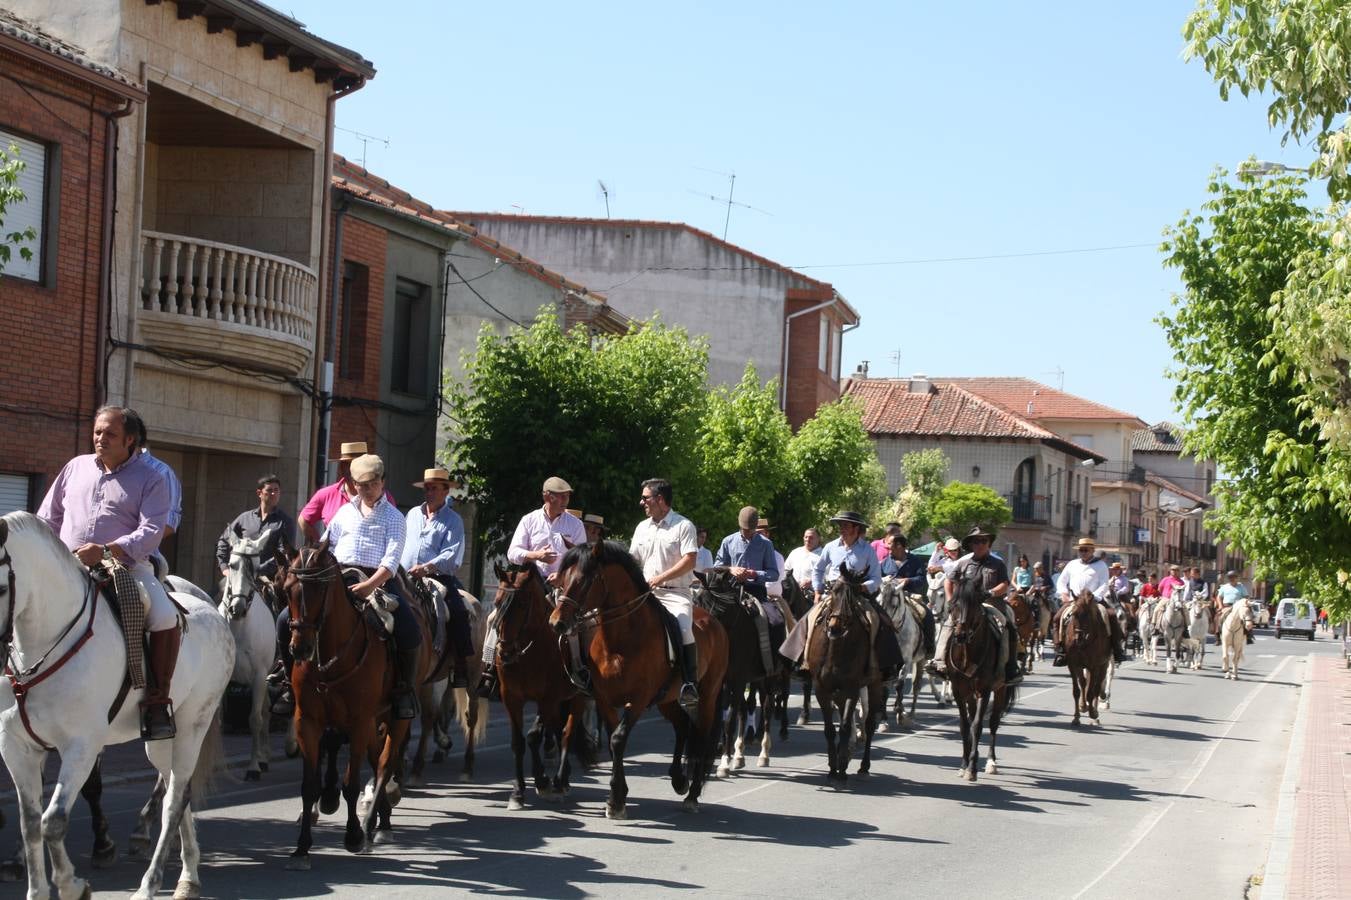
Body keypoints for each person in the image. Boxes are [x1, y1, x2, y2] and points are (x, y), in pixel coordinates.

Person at [37, 406, 180, 739]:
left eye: (110, 434)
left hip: (125, 567)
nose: (100, 438)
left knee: (164, 616)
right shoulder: (75, 467)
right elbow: (48, 517)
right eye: (98, 432)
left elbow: (152, 531)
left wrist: (105, 550)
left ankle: (158, 701)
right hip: (65, 564)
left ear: (130, 440)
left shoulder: (152, 477)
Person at [477, 476, 587, 698]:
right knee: (494, 618)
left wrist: (562, 575)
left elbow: (582, 559)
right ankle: (488, 669)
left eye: (567, 496)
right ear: (547, 496)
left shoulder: (575, 524)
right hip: (529, 581)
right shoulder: (529, 520)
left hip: (560, 585)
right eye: (561, 496)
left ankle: (578, 670)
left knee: (574, 625)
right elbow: (513, 552)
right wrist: (537, 555)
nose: (566, 500)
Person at [629, 477, 702, 713]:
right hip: (645, 594)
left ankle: (689, 683)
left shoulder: (683, 526)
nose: (642, 502)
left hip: (675, 594)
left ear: (660, 499)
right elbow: (633, 561)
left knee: (683, 628)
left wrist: (661, 578)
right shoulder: (642, 527)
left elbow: (689, 560)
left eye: (645, 497)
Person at [402, 467, 474, 688]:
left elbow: (452, 555)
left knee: (458, 610)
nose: (429, 492)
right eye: (427, 488)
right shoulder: (413, 514)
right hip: (404, 576)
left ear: (445, 491)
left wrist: (427, 567)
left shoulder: (453, 520)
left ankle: (460, 664)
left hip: (437, 577)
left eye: (434, 488)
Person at [928, 526, 1022, 686]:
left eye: (983, 541)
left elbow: (1005, 584)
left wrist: (991, 592)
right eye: (976, 541)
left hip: (991, 604)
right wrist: (951, 601)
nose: (979, 544)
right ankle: (939, 662)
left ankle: (1010, 668)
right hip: (965, 607)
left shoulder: (998, 563)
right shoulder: (962, 562)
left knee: (1008, 627)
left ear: (989, 544)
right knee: (949, 624)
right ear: (971, 544)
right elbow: (949, 580)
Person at [713, 507, 780, 674]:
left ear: (756, 527)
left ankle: (775, 666)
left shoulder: (766, 544)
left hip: (756, 590)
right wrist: (731, 569)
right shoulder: (728, 541)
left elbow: (773, 573)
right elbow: (717, 566)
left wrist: (754, 574)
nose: (747, 533)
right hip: (731, 590)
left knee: (776, 621)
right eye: (744, 530)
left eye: (750, 530)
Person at [298, 441, 394, 543]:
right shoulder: (326, 494)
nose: (352, 470)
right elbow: (304, 520)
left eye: (357, 465)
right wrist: (320, 548)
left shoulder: (383, 497)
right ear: (341, 467)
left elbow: (393, 531)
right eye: (347, 465)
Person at [1051, 537, 1126, 665]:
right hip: (1074, 601)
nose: (1083, 552)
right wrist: (1063, 593)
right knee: (1057, 618)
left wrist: (1094, 597)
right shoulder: (1072, 564)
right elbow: (1062, 581)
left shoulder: (1101, 565)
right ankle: (1061, 649)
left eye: (1086, 550)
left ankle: (1117, 649)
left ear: (1092, 550)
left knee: (1112, 616)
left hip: (1094, 601)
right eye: (1081, 550)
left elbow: (1104, 585)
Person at [216, 474, 297, 579]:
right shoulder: (244, 518)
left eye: (276, 490)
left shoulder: (285, 522)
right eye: (269, 490)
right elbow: (223, 541)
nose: (273, 493)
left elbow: (284, 554)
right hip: (239, 578)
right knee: (216, 594)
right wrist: (224, 567)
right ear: (259, 493)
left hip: (270, 581)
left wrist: (257, 570)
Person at [880, 533, 936, 658]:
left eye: (890, 546)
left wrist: (908, 580)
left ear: (899, 545)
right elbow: (877, 578)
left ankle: (929, 646)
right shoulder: (884, 563)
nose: (888, 549)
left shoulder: (915, 560)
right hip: (888, 597)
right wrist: (884, 579)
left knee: (926, 613)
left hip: (908, 595)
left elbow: (922, 579)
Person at [1216, 570, 1252, 644]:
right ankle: (1217, 635)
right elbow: (1219, 597)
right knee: (1217, 617)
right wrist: (1220, 605)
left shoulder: (1241, 587)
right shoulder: (1224, 587)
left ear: (1237, 578)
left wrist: (1245, 603)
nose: (1232, 579)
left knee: (1248, 617)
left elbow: (1246, 596)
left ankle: (1249, 635)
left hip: (1238, 607)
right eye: (1230, 577)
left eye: (1234, 577)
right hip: (1227, 606)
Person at [783, 527, 823, 592]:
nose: (807, 539)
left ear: (818, 539)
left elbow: (828, 576)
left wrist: (812, 581)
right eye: (806, 537)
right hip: (792, 592)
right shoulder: (795, 552)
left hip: (813, 593)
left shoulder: (823, 555)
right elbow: (786, 569)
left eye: (811, 537)